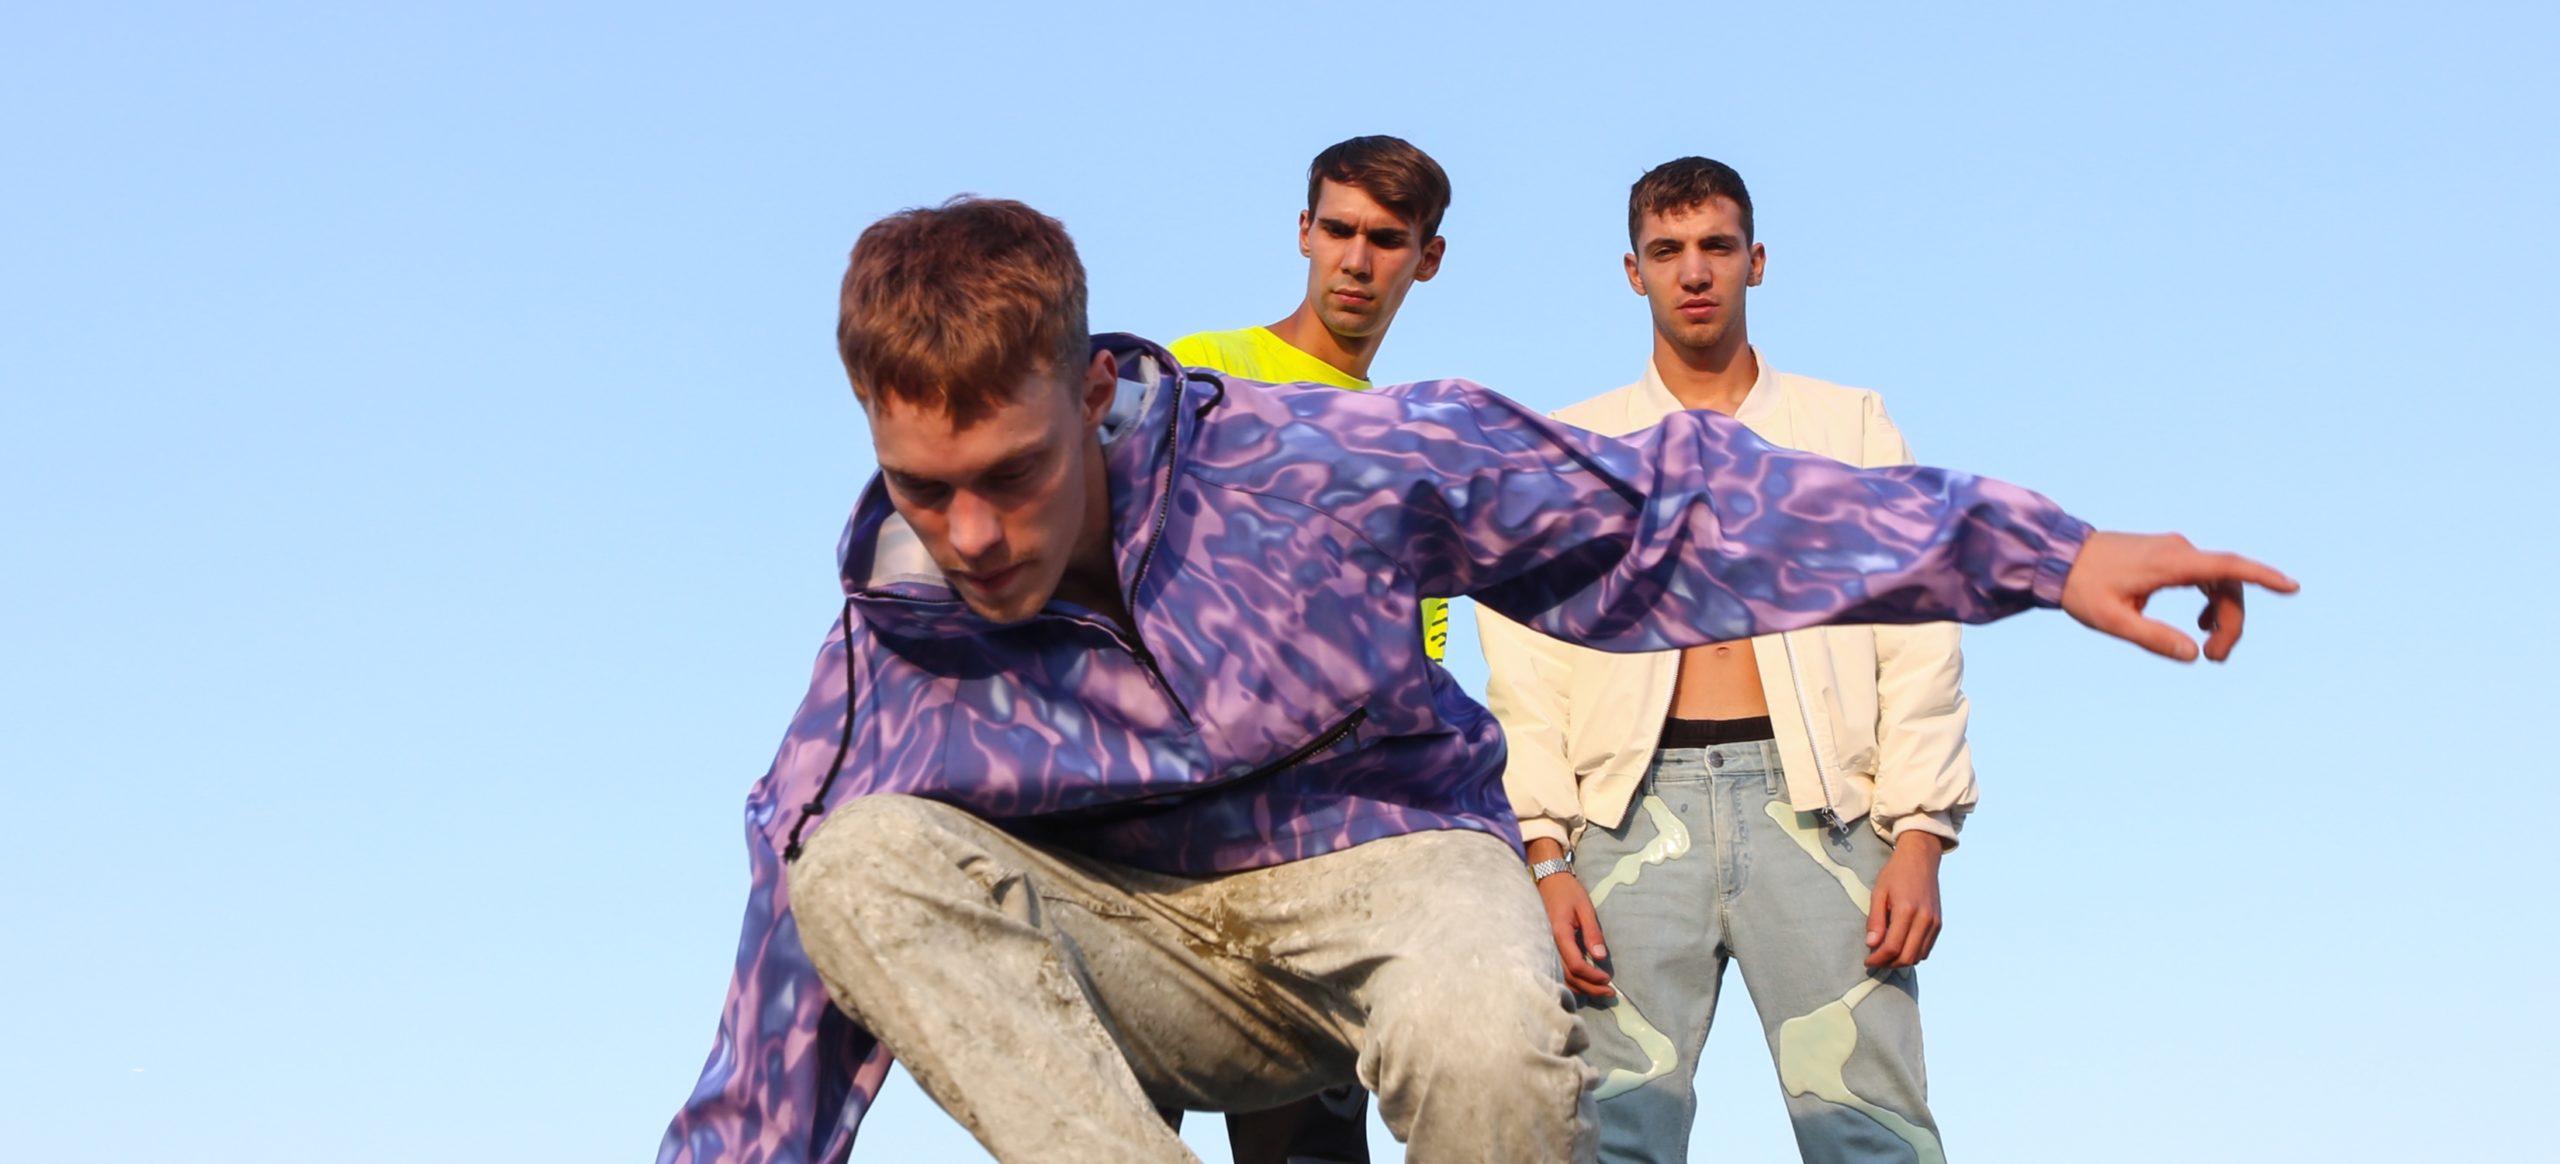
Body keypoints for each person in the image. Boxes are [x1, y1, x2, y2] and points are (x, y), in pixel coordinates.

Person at [656, 195, 2294, 1164]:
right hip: (1145, 957)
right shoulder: (891, 652)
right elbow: (770, 1059)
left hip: (1388, 887)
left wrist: (2042, 551)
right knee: (844, 860)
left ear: (1090, 396)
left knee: (1484, 1006)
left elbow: (1671, 514)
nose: (971, 535)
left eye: (1010, 476)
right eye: (926, 489)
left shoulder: (1313, 469)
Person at [1477, 156, 1975, 1164]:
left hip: (1824, 809)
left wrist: (1921, 831)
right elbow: (1526, 673)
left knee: (1872, 1133)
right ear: (1634, 272)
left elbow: (1920, 628)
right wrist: (1544, 853)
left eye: (1715, 246)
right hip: (1627, 815)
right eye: (1667, 251)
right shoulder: (1573, 447)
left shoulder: (1846, 427)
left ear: (1756, 260)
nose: (1694, 271)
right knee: (1609, 1137)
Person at [1164, 132, 1450, 1164]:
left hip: (1322, 860)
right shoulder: (1203, 371)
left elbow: (1415, 675)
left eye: (1387, 239)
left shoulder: (1417, 447)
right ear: (1303, 232)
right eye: (1338, 230)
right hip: (1164, 840)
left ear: (1427, 258)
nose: (1356, 260)